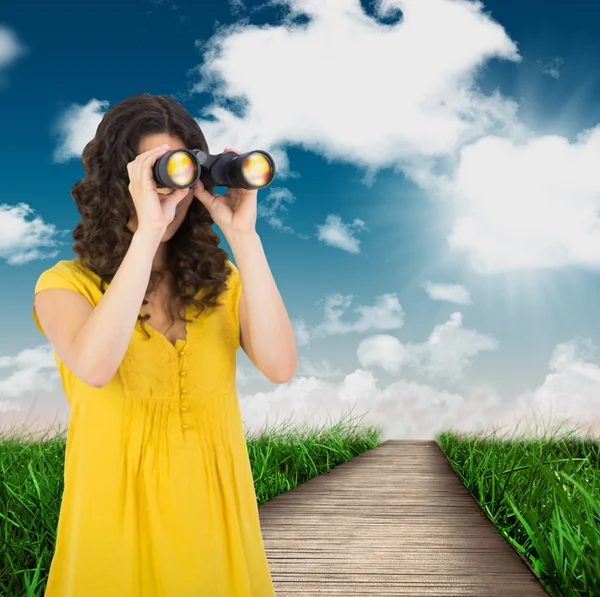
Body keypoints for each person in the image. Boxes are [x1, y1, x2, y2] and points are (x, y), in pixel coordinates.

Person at [32, 93, 298, 597]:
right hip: (116, 521)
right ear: (119, 184)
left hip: (216, 518)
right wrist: (147, 231)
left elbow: (281, 365)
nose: (168, 195)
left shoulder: (223, 287)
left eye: (182, 173)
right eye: (158, 174)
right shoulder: (64, 286)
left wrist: (244, 239)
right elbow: (94, 365)